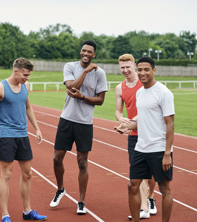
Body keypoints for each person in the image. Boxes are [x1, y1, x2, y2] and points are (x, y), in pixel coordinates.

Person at [49, 40, 108, 214]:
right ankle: (60, 189)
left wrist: (83, 98)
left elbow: (101, 100)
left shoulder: (100, 73)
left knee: (82, 162)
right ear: (80, 51)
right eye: (84, 51)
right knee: (56, 158)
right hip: (67, 119)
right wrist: (86, 71)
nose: (86, 54)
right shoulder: (70, 66)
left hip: (85, 123)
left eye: (90, 52)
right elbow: (72, 87)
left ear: (94, 54)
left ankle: (81, 201)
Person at [0, 58, 47, 222]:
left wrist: (37, 128)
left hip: (23, 135)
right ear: (16, 71)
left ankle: (27, 212)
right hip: (6, 135)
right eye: (25, 74)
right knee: (6, 175)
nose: (27, 78)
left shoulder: (24, 86)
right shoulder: (0, 87)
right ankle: (5, 215)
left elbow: (28, 107)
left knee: (27, 174)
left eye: (28, 75)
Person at [118, 56, 175, 222]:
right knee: (132, 185)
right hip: (141, 148)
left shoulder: (164, 93)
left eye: (146, 69)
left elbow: (170, 125)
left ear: (154, 70)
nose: (142, 73)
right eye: (140, 69)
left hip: (159, 149)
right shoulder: (139, 92)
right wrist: (126, 128)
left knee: (164, 189)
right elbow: (142, 120)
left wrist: (167, 153)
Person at [114, 54, 157, 220]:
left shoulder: (144, 84)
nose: (125, 70)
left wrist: (131, 122)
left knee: (151, 174)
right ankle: (144, 207)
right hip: (133, 135)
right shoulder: (120, 88)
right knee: (137, 171)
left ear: (134, 66)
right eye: (122, 68)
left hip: (149, 133)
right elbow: (118, 111)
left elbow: (148, 109)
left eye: (128, 67)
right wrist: (121, 119)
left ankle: (151, 197)